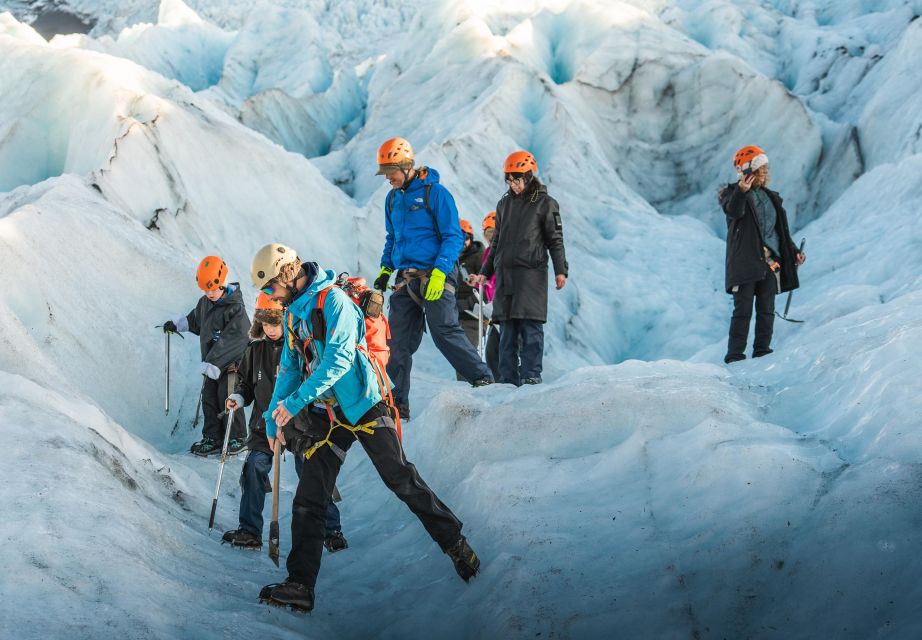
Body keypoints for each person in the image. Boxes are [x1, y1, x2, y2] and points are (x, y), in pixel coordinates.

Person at [250, 243, 480, 613]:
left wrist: (293, 405)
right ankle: (300, 585)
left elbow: (338, 360)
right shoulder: (294, 314)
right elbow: (291, 367)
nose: (270, 296)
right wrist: (271, 416)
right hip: (330, 412)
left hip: (365, 403)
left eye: (271, 287)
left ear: (287, 275)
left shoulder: (334, 302)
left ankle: (455, 542)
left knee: (400, 477)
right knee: (310, 496)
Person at [372, 137, 493, 419]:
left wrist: (440, 273)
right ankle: (397, 404)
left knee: (444, 331)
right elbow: (393, 239)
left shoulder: (435, 194)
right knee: (397, 343)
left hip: (436, 274)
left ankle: (483, 378)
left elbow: (453, 236)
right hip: (406, 278)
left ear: (405, 165)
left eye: (391, 171)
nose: (387, 178)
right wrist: (385, 269)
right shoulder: (392, 199)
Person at [221, 293, 347, 553]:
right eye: (265, 324)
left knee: (312, 473)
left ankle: (331, 529)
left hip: (300, 423)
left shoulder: (299, 348)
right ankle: (250, 530)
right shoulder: (254, 350)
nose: (271, 329)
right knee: (254, 467)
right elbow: (246, 384)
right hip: (262, 424)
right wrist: (237, 397)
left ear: (285, 321)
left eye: (275, 323)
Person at [474, 151, 568, 386]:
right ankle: (507, 380)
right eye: (509, 180)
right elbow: (496, 242)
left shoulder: (545, 204)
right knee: (506, 330)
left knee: (530, 328)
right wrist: (486, 271)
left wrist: (560, 270)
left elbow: (555, 239)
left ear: (528, 176)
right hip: (505, 276)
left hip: (531, 276)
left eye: (517, 180)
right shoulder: (503, 204)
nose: (513, 185)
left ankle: (531, 376)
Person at [719, 146, 806, 363]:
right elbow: (733, 212)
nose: (765, 172)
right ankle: (735, 356)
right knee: (743, 311)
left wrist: (794, 252)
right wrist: (741, 191)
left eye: (765, 168)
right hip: (745, 262)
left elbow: (779, 231)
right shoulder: (731, 194)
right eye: (760, 168)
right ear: (748, 171)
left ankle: (762, 352)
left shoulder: (771, 198)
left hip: (769, 262)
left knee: (767, 309)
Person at [162, 256, 249, 456]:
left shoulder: (236, 309)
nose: (210, 293)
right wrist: (178, 324)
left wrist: (215, 362)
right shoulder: (205, 303)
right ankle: (213, 437)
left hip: (231, 365)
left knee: (228, 396)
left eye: (213, 289)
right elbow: (196, 320)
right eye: (206, 290)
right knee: (209, 398)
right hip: (212, 364)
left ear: (222, 283)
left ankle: (237, 437)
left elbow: (235, 339)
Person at [454, 218, 488, 378]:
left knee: (466, 354)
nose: (463, 242)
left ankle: (472, 389)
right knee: (460, 355)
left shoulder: (479, 257)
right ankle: (466, 390)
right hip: (456, 316)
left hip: (474, 317)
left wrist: (463, 304)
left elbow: (486, 290)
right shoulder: (452, 259)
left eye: (466, 238)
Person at [480, 212, 500, 380]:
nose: (490, 237)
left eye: (493, 233)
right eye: (487, 233)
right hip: (493, 308)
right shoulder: (488, 252)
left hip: (504, 306)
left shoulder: (503, 250)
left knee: (499, 350)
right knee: (492, 353)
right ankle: (502, 385)